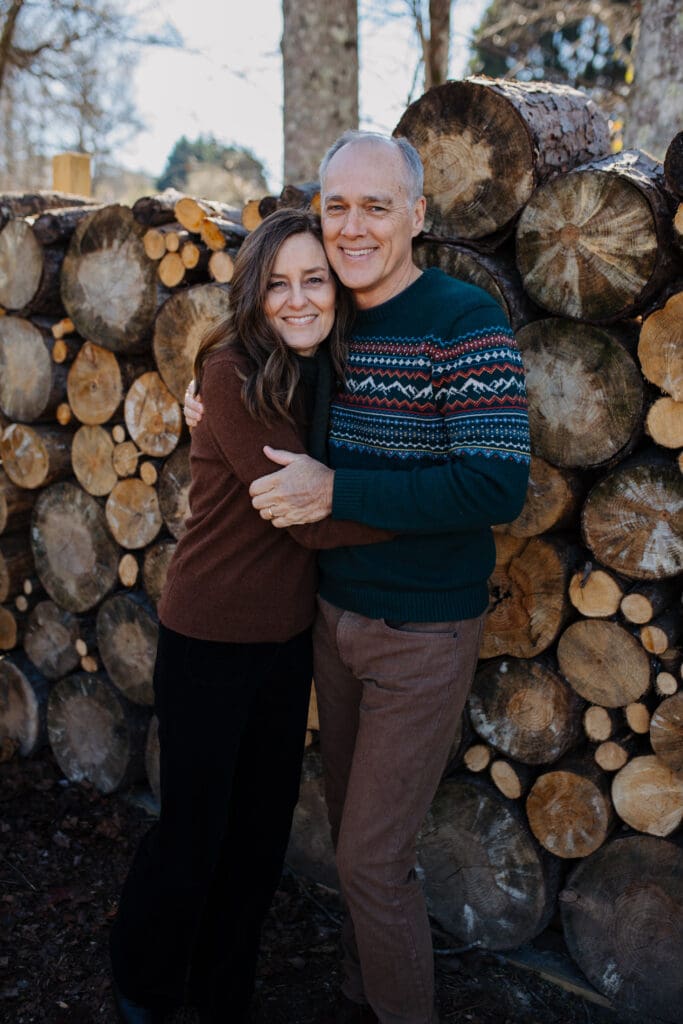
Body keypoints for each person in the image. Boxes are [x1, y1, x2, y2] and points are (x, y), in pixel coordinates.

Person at [185, 131, 530, 1024]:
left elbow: (496, 482)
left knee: (372, 861)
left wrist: (341, 489)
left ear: (417, 214)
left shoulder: (464, 320)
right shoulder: (327, 321)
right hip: (330, 618)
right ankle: (356, 995)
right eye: (337, 204)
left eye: (377, 205)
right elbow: (250, 357)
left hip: (421, 630)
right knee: (352, 846)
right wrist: (202, 380)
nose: (353, 225)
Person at [109, 207, 391, 1024]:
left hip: (282, 643)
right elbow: (303, 514)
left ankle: (221, 993)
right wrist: (427, 504)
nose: (299, 299)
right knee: (195, 835)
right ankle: (145, 983)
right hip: (207, 637)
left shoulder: (325, 368)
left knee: (260, 841)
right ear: (253, 295)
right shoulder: (232, 372)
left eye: (315, 280)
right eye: (278, 285)